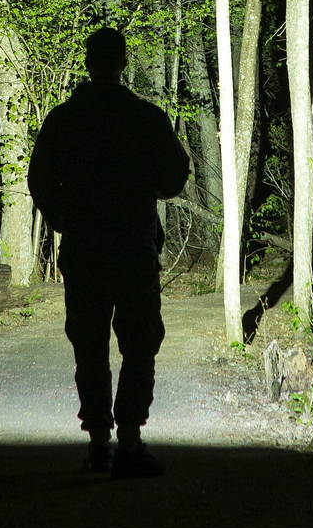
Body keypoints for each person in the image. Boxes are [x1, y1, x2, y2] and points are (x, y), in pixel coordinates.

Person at [27, 27, 192, 478]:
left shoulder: (64, 120)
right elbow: (175, 176)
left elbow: (38, 180)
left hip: (85, 250)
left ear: (87, 62)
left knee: (90, 343)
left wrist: (65, 218)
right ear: (121, 62)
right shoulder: (144, 118)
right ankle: (130, 440)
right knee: (139, 342)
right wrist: (143, 190)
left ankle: (100, 441)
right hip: (134, 248)